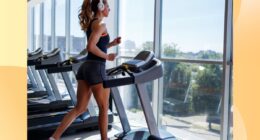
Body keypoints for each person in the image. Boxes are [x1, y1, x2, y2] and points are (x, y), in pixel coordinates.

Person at [49, 0, 121, 139]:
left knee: (79, 108)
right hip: (96, 68)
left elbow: (97, 45)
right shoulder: (101, 24)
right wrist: (108, 57)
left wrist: (112, 43)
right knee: (104, 108)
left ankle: (54, 137)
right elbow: (90, 47)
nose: (109, 10)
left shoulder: (92, 23)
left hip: (86, 68)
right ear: (101, 7)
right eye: (108, 7)